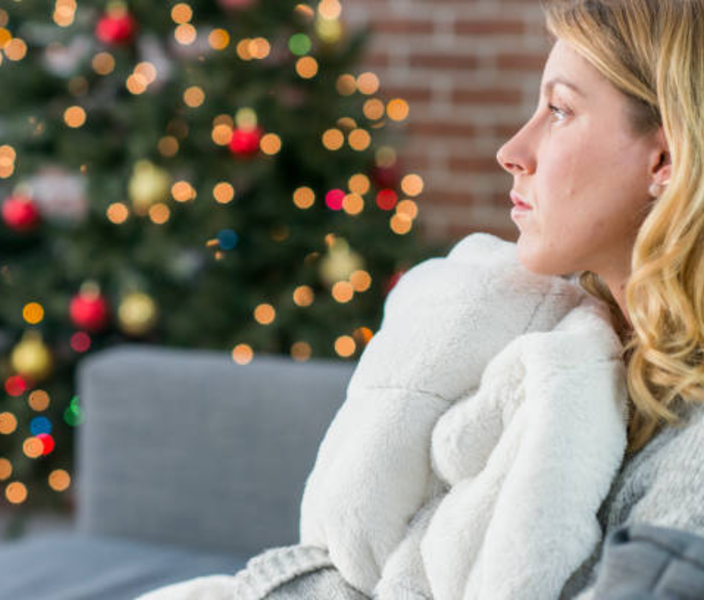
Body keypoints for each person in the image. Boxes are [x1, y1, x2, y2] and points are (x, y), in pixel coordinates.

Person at [137, 0, 704, 598]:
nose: (513, 149)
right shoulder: (550, 336)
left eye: (559, 111)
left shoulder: (687, 461)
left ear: (664, 159)